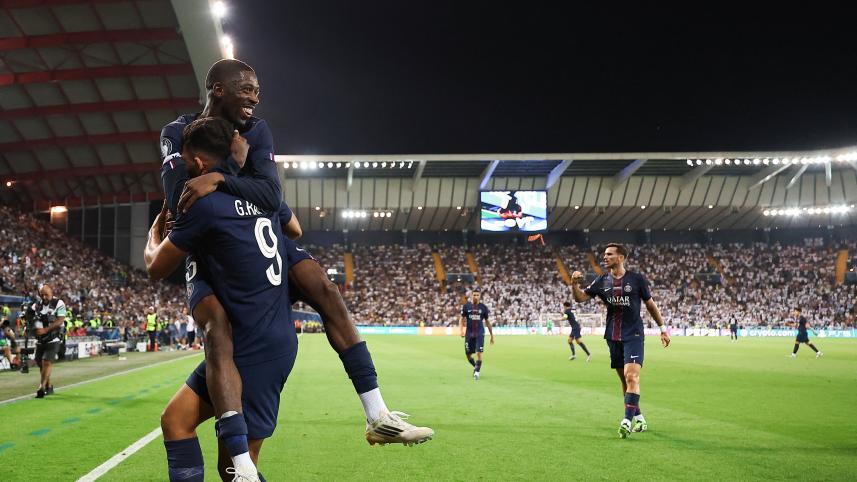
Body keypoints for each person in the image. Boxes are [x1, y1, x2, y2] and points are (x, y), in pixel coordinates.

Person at [159, 58, 432, 454]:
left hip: (260, 232)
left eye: (257, 90)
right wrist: (241, 174)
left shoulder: (258, 131)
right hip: (211, 244)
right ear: (217, 89)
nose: (255, 97)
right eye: (246, 89)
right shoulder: (177, 132)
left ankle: (377, 414)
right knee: (217, 333)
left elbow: (271, 197)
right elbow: (180, 202)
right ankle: (239, 458)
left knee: (324, 288)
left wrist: (222, 176)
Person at [147, 117, 297, 481]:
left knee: (234, 472)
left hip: (255, 348)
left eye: (184, 158)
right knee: (176, 420)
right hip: (251, 337)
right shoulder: (260, 191)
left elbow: (156, 266)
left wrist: (153, 234)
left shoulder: (204, 203)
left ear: (198, 164)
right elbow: (295, 229)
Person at [571, 243, 670, 438]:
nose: (605, 257)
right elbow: (581, 298)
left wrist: (663, 329)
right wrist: (574, 284)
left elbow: (650, 305)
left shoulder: (636, 279)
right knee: (625, 381)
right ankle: (639, 418)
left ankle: (626, 420)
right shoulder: (602, 280)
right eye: (604, 254)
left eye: (609, 254)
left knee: (632, 376)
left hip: (633, 335)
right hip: (613, 336)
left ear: (621, 258)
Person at [32, 284, 67, 398]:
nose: (44, 297)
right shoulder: (36, 306)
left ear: (51, 292)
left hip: (54, 338)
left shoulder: (59, 303)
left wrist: (46, 329)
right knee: (39, 362)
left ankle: (41, 387)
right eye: (42, 294)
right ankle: (48, 385)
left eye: (46, 294)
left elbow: (60, 319)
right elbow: (31, 318)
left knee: (46, 361)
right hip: (40, 340)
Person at [459, 291, 494, 381]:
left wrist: (492, 336)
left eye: (477, 295)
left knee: (479, 352)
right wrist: (461, 330)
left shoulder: (483, 307)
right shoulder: (466, 306)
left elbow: (487, 322)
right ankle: (476, 366)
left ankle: (477, 372)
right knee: (468, 355)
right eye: (474, 295)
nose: (476, 296)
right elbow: (461, 319)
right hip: (469, 334)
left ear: (480, 296)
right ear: (471, 296)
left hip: (479, 333)